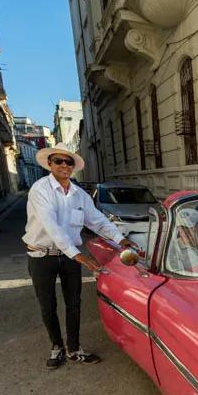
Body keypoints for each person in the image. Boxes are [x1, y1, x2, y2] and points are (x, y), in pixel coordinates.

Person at [23, 142, 134, 369]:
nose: (64, 165)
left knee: (74, 304)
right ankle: (57, 347)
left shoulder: (79, 195)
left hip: (69, 257)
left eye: (68, 161)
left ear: (73, 167)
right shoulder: (40, 189)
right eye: (58, 161)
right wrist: (79, 255)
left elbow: (97, 220)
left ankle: (74, 349)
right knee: (48, 305)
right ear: (50, 164)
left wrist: (120, 239)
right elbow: (51, 226)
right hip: (41, 255)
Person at [167, 208, 198, 272]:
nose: (185, 231)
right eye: (182, 227)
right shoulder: (171, 251)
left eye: (190, 227)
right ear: (178, 228)